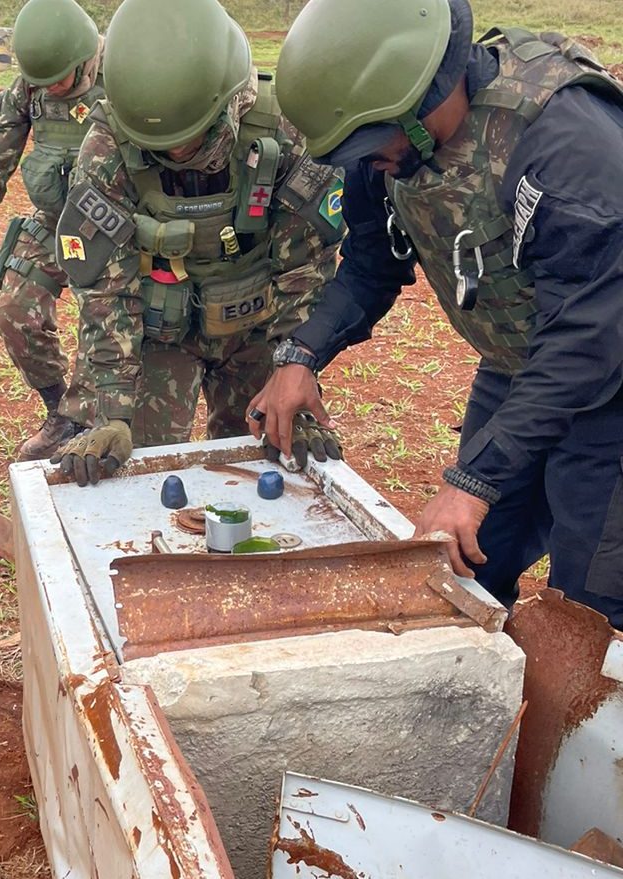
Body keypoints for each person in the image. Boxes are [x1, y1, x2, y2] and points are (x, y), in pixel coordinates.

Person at [250, 0, 623, 626]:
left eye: (372, 148)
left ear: (421, 102)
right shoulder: (392, 149)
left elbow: (587, 341)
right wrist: (302, 352)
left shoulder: (567, 147)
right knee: (466, 568)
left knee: (591, 611)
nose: (369, 166)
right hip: (521, 365)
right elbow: (373, 260)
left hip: (608, 383)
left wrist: (475, 477)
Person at [51, 0, 345, 487]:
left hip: (258, 332)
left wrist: (297, 368)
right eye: (159, 145)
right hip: (159, 333)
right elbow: (106, 289)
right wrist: (113, 409)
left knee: (258, 468)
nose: (175, 155)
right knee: (139, 471)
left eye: (190, 141)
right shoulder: (107, 149)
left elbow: (307, 268)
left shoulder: (283, 131)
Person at [0, 0, 103, 460]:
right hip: (54, 223)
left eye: (60, 78)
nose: (51, 87)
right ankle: (60, 415)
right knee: (14, 312)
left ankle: (93, 421)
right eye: (41, 80)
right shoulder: (27, 91)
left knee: (104, 324)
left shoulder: (124, 77)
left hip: (114, 228)